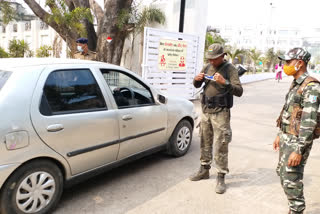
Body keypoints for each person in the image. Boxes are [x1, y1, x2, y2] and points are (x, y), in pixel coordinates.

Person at [190, 43, 243, 194]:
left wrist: (224, 82)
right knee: (204, 140)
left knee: (221, 144)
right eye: (210, 59)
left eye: (215, 59)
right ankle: (204, 170)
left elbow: (239, 91)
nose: (212, 61)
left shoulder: (230, 69)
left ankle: (221, 176)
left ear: (222, 56)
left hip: (221, 112)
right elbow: (196, 85)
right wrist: (197, 79)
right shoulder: (207, 67)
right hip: (206, 110)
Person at [273, 47, 320, 214]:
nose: (285, 65)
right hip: (287, 137)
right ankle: (294, 208)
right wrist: (280, 134)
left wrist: (299, 150)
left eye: (288, 62)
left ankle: (297, 210)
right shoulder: (296, 83)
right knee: (283, 174)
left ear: (300, 63)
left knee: (291, 178)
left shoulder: (311, 86)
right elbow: (289, 111)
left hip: (297, 142)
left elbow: (309, 121)